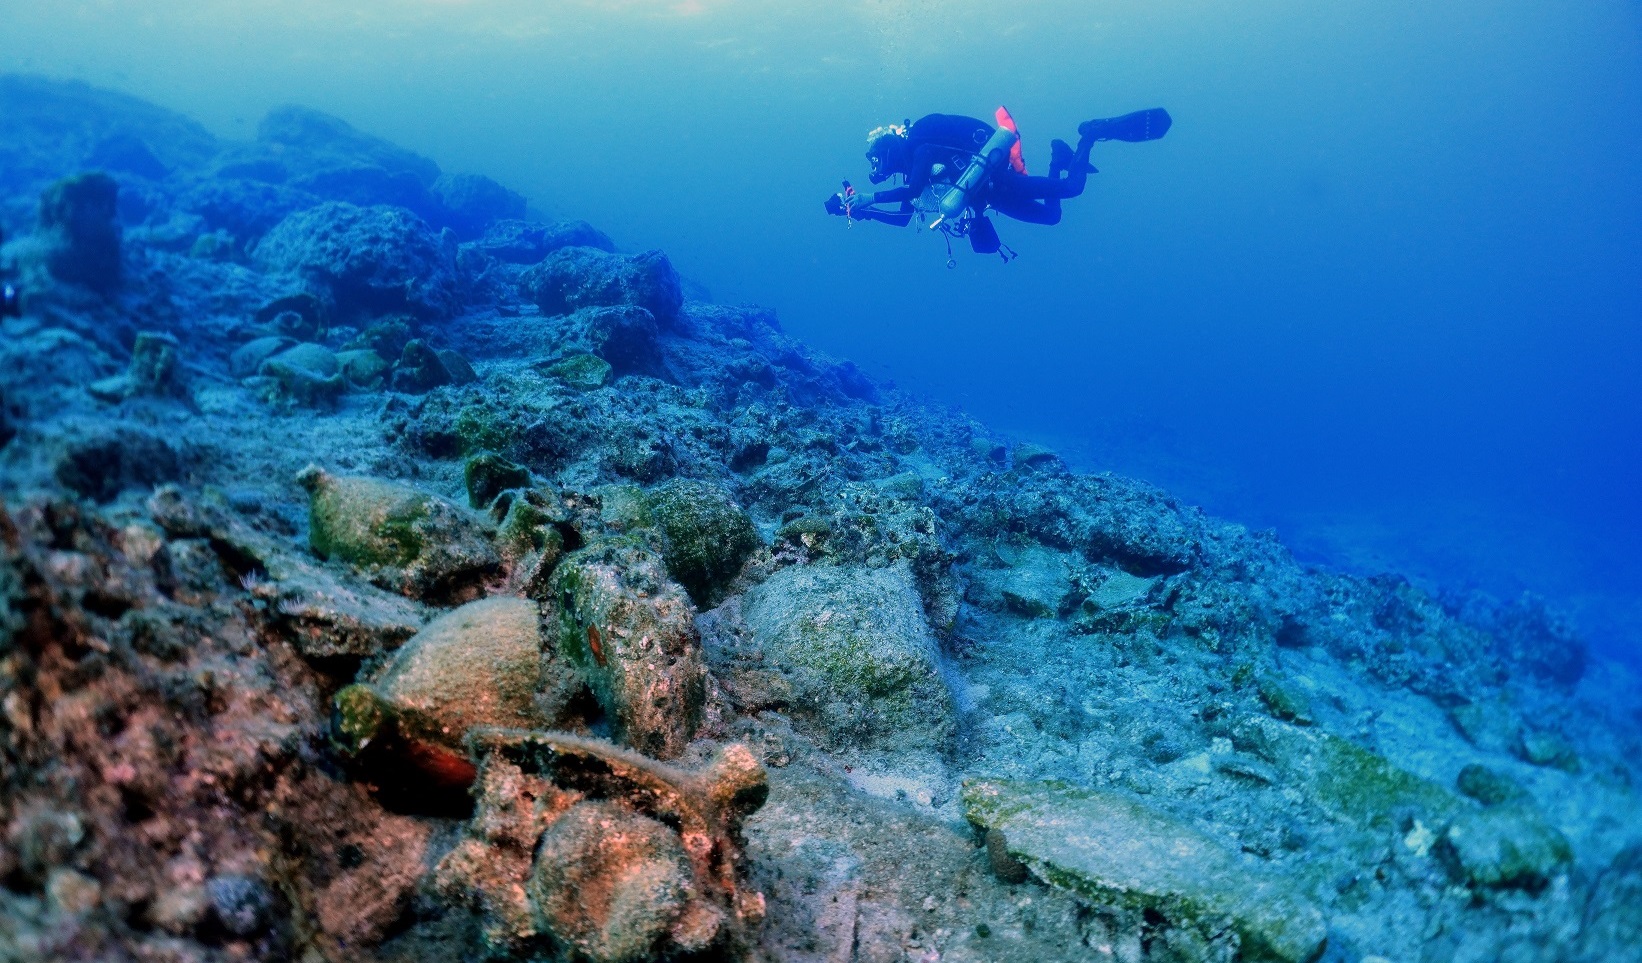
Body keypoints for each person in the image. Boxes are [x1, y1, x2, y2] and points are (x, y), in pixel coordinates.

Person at [826, 107, 1171, 251]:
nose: (878, 170)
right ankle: (1059, 157)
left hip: (996, 183)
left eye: (877, 161)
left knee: (1072, 188)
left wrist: (870, 198)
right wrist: (856, 210)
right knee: (1052, 216)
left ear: (888, 151)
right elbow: (902, 219)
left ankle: (1091, 135)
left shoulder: (921, 150)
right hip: (991, 195)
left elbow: (914, 189)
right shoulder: (910, 167)